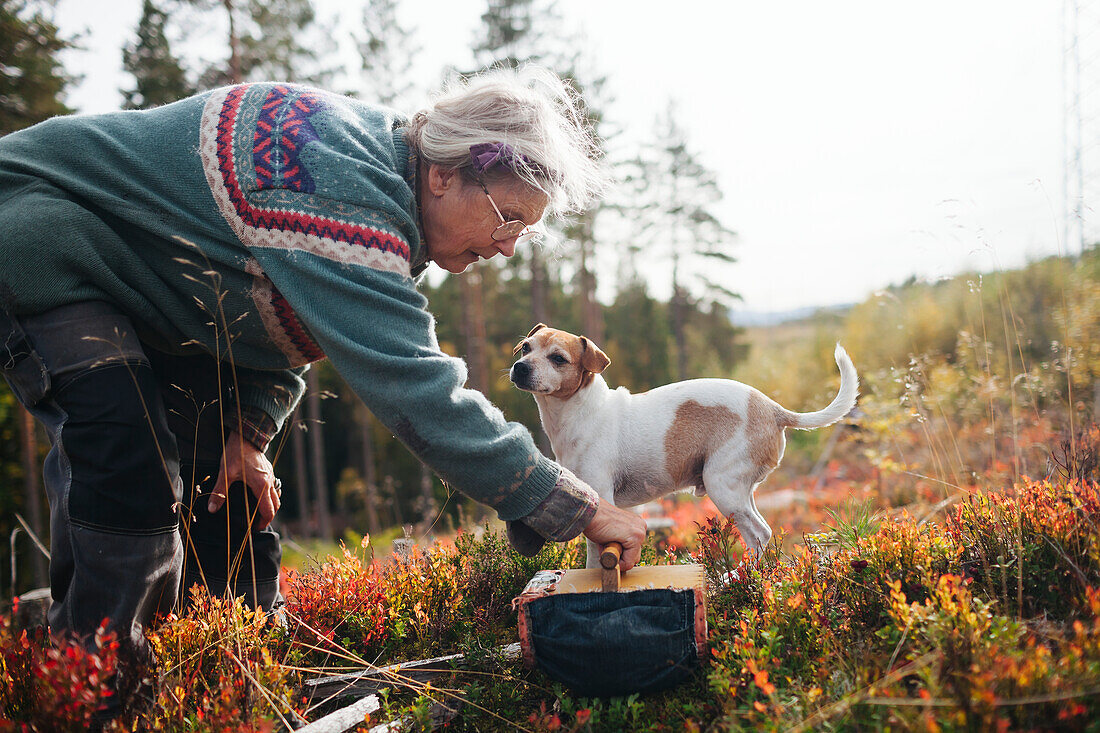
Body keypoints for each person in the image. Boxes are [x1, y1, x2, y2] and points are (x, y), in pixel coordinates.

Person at [0, 65, 647, 670]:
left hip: (147, 301)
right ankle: (92, 683)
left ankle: (222, 667)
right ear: (445, 174)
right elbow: (421, 392)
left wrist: (249, 431)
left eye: (523, 231)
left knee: (226, 487)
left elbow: (278, 321)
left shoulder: (378, 196)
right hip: (44, 238)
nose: (507, 245)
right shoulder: (344, 189)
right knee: (129, 464)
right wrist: (580, 507)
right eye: (508, 218)